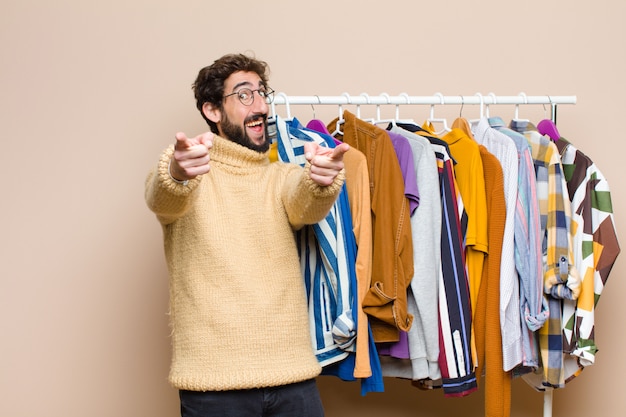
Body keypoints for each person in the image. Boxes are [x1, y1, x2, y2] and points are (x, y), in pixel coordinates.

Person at [145, 53, 350, 417]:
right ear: (212, 111)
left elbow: (304, 203)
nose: (260, 106)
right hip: (214, 389)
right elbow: (164, 197)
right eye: (244, 95)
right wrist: (177, 172)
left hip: (293, 381)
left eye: (261, 93)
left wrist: (321, 181)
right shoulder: (192, 172)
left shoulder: (281, 176)